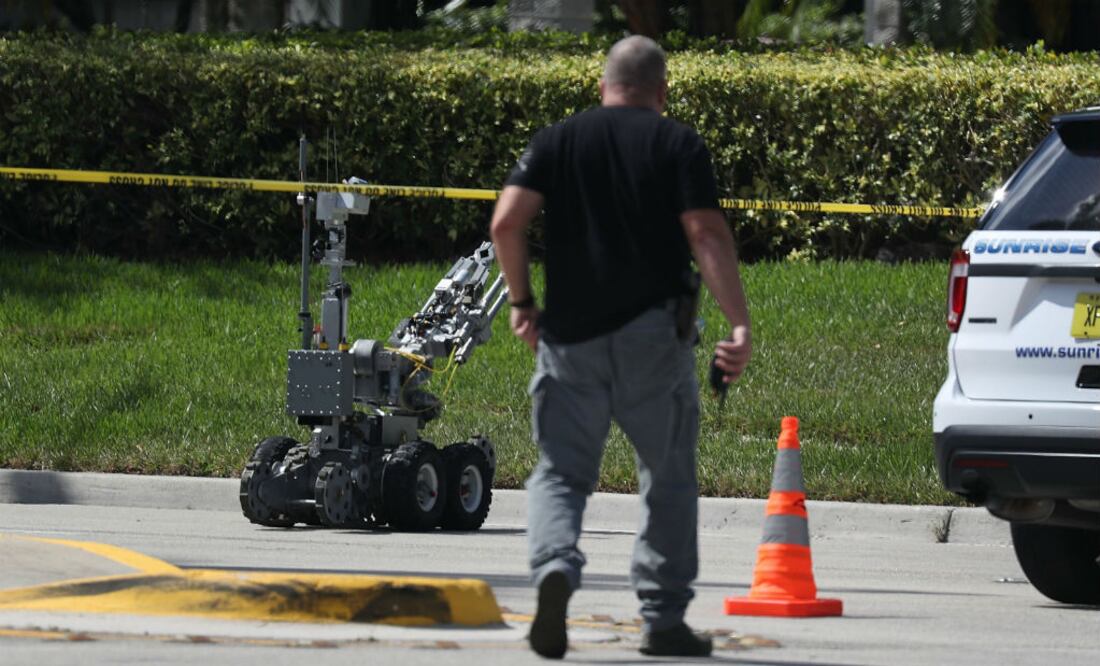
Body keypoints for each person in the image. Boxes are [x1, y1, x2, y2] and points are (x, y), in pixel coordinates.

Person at [489, 34, 752, 660]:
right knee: (667, 478)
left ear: (602, 85)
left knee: (559, 472)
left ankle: (555, 568)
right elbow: (705, 232)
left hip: (569, 341)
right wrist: (737, 322)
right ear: (661, 91)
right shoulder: (677, 142)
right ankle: (662, 621)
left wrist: (523, 305)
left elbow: (506, 222)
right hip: (653, 341)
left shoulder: (558, 139)